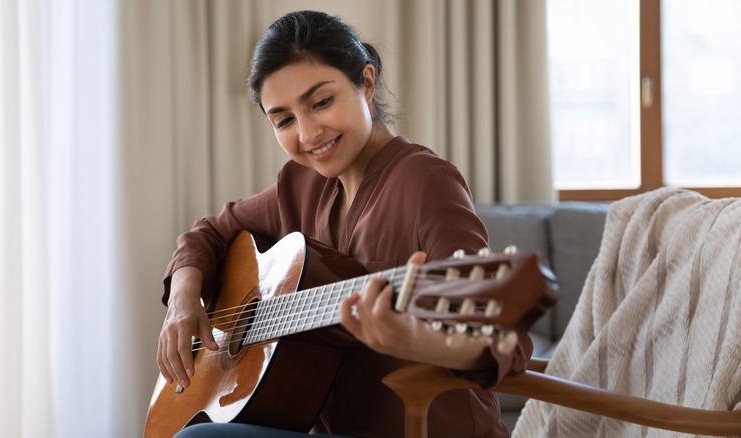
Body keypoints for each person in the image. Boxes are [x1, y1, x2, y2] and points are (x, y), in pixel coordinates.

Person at [156, 10, 532, 438]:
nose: (308, 133)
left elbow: (505, 338)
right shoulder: (299, 185)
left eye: (321, 103)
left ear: (366, 83)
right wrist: (183, 299)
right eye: (284, 120)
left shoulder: (427, 182)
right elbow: (211, 230)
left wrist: (413, 341)